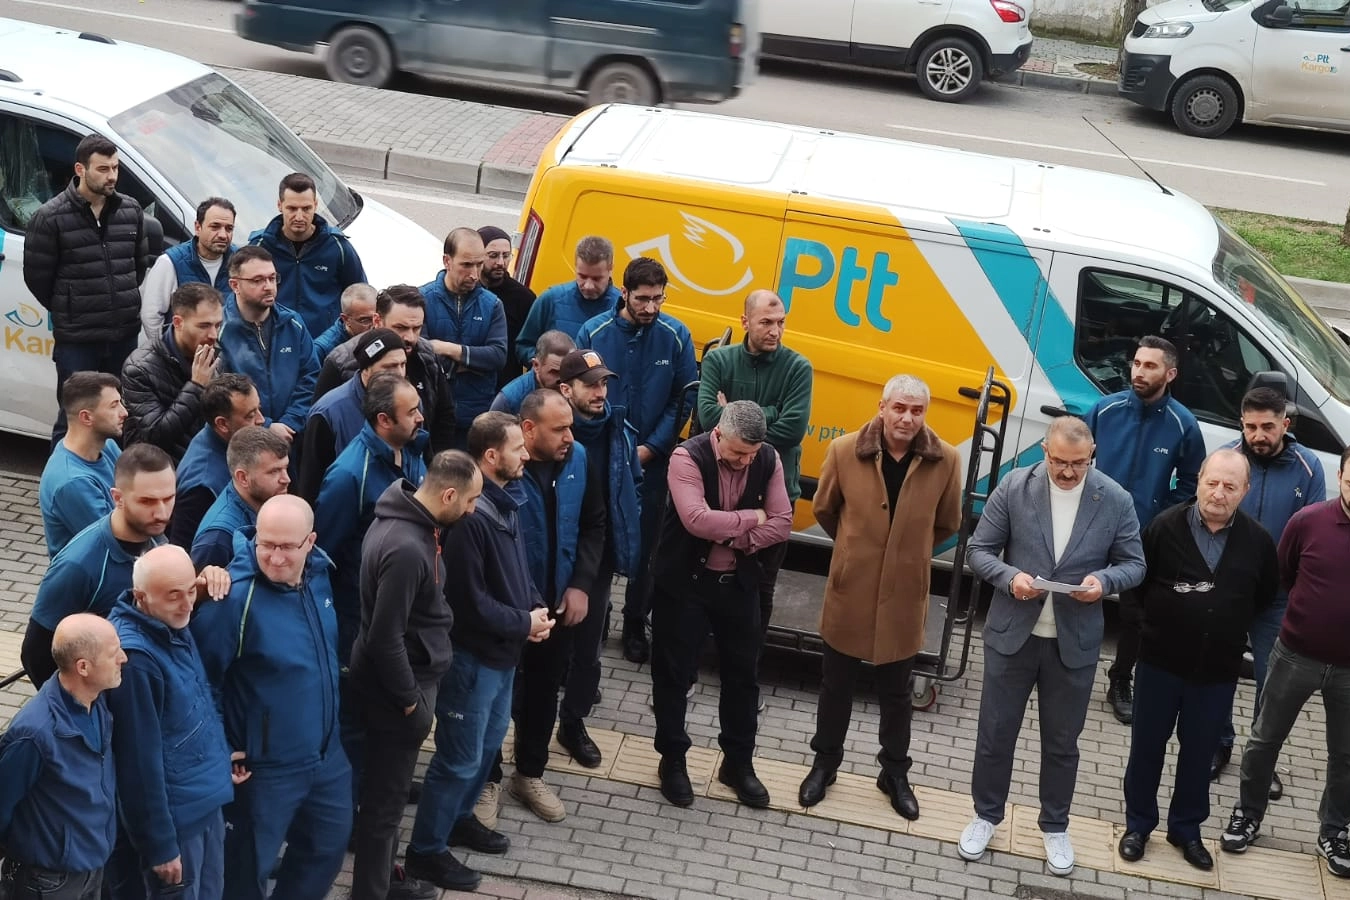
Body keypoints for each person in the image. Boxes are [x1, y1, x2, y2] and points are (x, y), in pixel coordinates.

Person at [959, 416, 1145, 876]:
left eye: (1078, 464)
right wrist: (1010, 578)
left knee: (1063, 743)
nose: (1067, 471)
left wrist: (1102, 582)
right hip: (1012, 636)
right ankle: (985, 817)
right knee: (995, 735)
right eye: (1059, 461)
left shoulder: (1115, 499)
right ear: (1045, 451)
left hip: (1073, 644)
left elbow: (1134, 564)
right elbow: (978, 550)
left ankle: (1055, 826)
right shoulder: (1014, 487)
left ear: (1092, 455)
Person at [797, 376, 961, 820]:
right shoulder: (844, 450)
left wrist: (906, 554)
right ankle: (825, 764)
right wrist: (855, 550)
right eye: (900, 408)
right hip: (852, 588)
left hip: (904, 593)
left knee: (897, 693)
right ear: (882, 407)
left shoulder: (946, 460)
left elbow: (947, 523)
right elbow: (825, 509)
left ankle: (894, 773)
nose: (907, 418)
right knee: (836, 686)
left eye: (917, 410)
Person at [403, 412, 554, 893]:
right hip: (472, 661)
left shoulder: (507, 503)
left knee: (486, 749)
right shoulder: (471, 520)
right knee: (458, 759)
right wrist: (523, 623)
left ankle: (460, 819)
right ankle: (426, 851)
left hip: (503, 655)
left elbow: (519, 571)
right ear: (491, 456)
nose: (526, 455)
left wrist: (533, 608)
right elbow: (467, 602)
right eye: (517, 448)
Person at [1118, 449, 1278, 872]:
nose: (1219, 493)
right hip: (1159, 665)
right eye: (1212, 483)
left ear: (1245, 491)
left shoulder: (1258, 542)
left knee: (1199, 754)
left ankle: (1186, 830)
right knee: (1146, 748)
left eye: (1230, 486)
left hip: (1216, 672)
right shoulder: (1164, 527)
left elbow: (1264, 597)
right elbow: (1134, 585)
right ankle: (1138, 826)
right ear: (1199, 480)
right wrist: (1148, 630)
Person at [191, 495, 351, 900]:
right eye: (267, 545)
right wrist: (219, 747)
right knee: (245, 873)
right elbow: (200, 682)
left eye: (287, 547)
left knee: (327, 848)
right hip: (264, 769)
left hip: (326, 756)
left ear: (310, 542)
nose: (275, 558)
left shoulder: (319, 577)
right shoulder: (233, 599)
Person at [347, 451, 483, 900]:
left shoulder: (408, 524)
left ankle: (385, 878)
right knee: (385, 805)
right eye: (470, 501)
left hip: (406, 680)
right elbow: (384, 637)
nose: (472, 510)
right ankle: (373, 891)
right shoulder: (407, 548)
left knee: (387, 798)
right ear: (448, 494)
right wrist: (410, 700)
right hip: (399, 693)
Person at [650, 401, 792, 810]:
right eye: (738, 452)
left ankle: (737, 763)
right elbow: (696, 520)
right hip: (684, 585)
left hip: (738, 585)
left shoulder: (768, 458)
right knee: (674, 675)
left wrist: (733, 536)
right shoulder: (686, 457)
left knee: (743, 678)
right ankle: (672, 760)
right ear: (718, 434)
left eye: (752, 454)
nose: (746, 461)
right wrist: (753, 518)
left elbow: (783, 522)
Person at [1221, 446, 1350, 877]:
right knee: (1264, 741)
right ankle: (1248, 814)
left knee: (1346, 756)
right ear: (1340, 477)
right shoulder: (1307, 522)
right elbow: (1285, 574)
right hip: (1295, 654)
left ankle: (1334, 831)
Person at [483, 390, 605, 823]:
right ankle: (487, 779)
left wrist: (581, 585)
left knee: (543, 692)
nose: (570, 436)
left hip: (557, 606)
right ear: (529, 429)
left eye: (571, 426)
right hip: (509, 611)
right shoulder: (499, 468)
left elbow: (593, 524)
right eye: (560, 429)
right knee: (494, 697)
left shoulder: (579, 459)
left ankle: (529, 773)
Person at [576, 257, 697, 665]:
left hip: (652, 461)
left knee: (646, 547)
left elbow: (684, 398)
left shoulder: (676, 335)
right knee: (597, 538)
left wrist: (652, 448)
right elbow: (580, 394)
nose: (650, 307)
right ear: (624, 293)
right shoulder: (594, 333)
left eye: (658, 299)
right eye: (643, 299)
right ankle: (595, 618)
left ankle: (633, 623)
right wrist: (613, 448)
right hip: (601, 457)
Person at [104, 546, 243, 900]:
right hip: (178, 822)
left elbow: (196, 699)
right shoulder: (136, 661)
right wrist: (160, 846)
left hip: (203, 801)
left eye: (190, 590)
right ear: (141, 597)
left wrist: (219, 756)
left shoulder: (168, 624)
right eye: (173, 595)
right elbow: (138, 764)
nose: (187, 605)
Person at [1085, 335, 1205, 724]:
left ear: (1170, 374)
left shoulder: (1183, 424)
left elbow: (1192, 483)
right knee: (1071, 596)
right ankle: (1055, 666)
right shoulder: (1105, 410)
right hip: (1092, 525)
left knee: (1136, 616)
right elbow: (1073, 456)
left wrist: (1159, 518)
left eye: (1150, 366)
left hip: (1142, 534)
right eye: (1137, 363)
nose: (1139, 371)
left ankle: (1121, 679)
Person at [1211, 386, 1324, 796]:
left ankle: (1261, 762)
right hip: (1228, 590)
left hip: (1276, 597)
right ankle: (1218, 744)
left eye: (1268, 427)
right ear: (1241, 423)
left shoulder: (1308, 467)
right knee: (1218, 670)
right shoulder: (1226, 458)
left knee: (1272, 682)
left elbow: (1311, 538)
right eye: (1251, 427)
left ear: (1285, 425)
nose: (1258, 435)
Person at [315, 373, 428, 774]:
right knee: (356, 720)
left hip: (399, 609)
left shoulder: (411, 449)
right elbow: (324, 555)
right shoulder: (349, 475)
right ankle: (354, 798)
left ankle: (383, 782)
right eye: (411, 411)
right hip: (357, 620)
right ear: (383, 420)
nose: (421, 417)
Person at [697, 288, 813, 643]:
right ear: (745, 321)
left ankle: (747, 664)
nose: (776, 331)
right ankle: (699, 656)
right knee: (705, 578)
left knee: (761, 586)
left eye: (781, 322)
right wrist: (772, 412)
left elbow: (793, 430)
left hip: (774, 495)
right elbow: (707, 419)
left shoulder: (798, 367)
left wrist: (733, 416)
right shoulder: (719, 361)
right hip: (720, 490)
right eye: (766, 322)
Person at [22, 133, 148, 446]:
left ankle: (112, 476)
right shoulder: (50, 218)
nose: (112, 176)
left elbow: (137, 266)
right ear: (80, 169)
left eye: (115, 168)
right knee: (74, 418)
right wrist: (70, 307)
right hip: (78, 340)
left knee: (119, 415)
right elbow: (37, 278)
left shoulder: (131, 210)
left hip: (122, 335)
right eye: (103, 169)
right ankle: (62, 476)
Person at [24, 445, 177, 688]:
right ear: (118, 498)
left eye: (168, 499)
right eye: (147, 501)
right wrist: (83, 704)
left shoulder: (157, 539)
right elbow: (35, 654)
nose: (161, 513)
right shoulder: (78, 565)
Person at [0, 614, 125, 900]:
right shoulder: (35, 734)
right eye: (113, 653)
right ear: (83, 667)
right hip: (48, 882)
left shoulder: (96, 702)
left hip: (92, 866)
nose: (123, 658)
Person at [315, 284, 456, 456]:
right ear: (377, 321)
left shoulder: (426, 356)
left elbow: (444, 416)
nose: (410, 337)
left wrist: (438, 463)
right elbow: (319, 427)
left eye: (417, 328)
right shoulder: (341, 362)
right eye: (400, 328)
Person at [217, 245, 320, 444]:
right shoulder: (220, 330)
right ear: (235, 285)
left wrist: (290, 423)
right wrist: (266, 426)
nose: (268, 286)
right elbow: (220, 395)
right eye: (258, 280)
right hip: (244, 443)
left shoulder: (293, 323)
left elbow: (311, 377)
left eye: (272, 278)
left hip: (292, 436)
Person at [247, 172, 366, 339]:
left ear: (315, 205)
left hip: (325, 344)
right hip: (274, 342)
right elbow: (240, 298)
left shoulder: (338, 247)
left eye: (306, 209)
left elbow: (361, 295)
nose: (299, 216)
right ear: (279, 205)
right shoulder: (259, 247)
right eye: (292, 209)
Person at [297, 328, 408, 503]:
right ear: (366, 369)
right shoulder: (328, 412)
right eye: (389, 367)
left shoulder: (410, 402)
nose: (400, 373)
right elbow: (311, 483)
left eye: (403, 364)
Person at [420, 227, 508, 448]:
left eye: (479, 264)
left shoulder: (492, 305)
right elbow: (421, 355)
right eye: (466, 265)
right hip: (432, 415)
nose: (475, 274)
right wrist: (474, 363)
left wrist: (449, 349)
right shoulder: (422, 300)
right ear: (447, 261)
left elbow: (498, 356)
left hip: (475, 417)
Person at [122, 282, 224, 460]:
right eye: (204, 326)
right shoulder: (139, 368)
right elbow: (155, 436)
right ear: (178, 322)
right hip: (161, 467)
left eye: (218, 325)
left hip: (208, 460)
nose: (213, 335)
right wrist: (196, 386)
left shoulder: (218, 354)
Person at [168, 374, 265, 549]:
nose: (261, 420)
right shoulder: (201, 486)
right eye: (250, 415)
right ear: (222, 424)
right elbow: (183, 548)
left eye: (259, 409)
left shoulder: (226, 439)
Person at [40, 372, 125, 558]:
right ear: (86, 417)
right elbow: (116, 542)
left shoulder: (108, 446)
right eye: (114, 406)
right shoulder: (72, 481)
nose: (124, 412)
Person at [191, 426, 293, 570]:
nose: (286, 479)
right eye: (274, 471)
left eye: (285, 468)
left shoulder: (267, 500)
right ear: (243, 478)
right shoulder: (218, 539)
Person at [139, 197, 236, 346]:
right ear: (198, 227)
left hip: (226, 354)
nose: (223, 235)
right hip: (181, 354)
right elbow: (151, 314)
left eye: (229, 228)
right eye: (215, 227)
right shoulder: (170, 262)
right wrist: (167, 352)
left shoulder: (239, 262)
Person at [515, 235, 619, 366]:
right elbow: (523, 346)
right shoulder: (551, 300)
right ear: (575, 267)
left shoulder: (622, 308)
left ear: (610, 269)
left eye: (596, 279)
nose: (588, 286)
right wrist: (547, 366)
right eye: (582, 276)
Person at [476, 225, 536, 388]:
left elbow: (531, 345)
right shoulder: (466, 291)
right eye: (493, 256)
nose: (501, 263)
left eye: (506, 255)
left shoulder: (523, 298)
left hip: (505, 387)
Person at [490, 330, 574, 414]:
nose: (562, 379)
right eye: (555, 372)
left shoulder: (579, 390)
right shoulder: (509, 401)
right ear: (536, 365)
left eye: (567, 371)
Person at [313, 283, 378, 364]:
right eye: (365, 320)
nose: (375, 325)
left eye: (377, 317)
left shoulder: (384, 333)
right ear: (346, 319)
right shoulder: (322, 350)